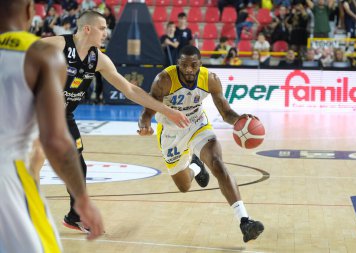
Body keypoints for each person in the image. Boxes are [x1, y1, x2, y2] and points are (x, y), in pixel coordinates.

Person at [29, 10, 190, 232]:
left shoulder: (99, 59)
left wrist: (166, 110)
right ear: (87, 29)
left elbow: (130, 89)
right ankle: (25, 215)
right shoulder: (57, 45)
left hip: (62, 116)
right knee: (31, 162)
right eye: (102, 28)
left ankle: (75, 216)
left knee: (77, 166)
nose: (106, 32)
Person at [0, 0, 104, 252]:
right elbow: (56, 141)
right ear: (28, 11)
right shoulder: (40, 54)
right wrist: (82, 199)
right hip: (7, 176)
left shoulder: (92, 57)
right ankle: (73, 214)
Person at [138, 45, 264, 243]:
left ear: (200, 64)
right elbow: (148, 109)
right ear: (177, 64)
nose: (189, 69)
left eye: (193, 65)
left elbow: (226, 113)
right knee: (184, 186)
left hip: (197, 124)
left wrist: (240, 120)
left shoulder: (210, 79)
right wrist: (144, 123)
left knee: (217, 164)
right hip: (171, 132)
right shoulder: (164, 79)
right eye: (184, 65)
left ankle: (245, 221)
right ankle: (196, 167)